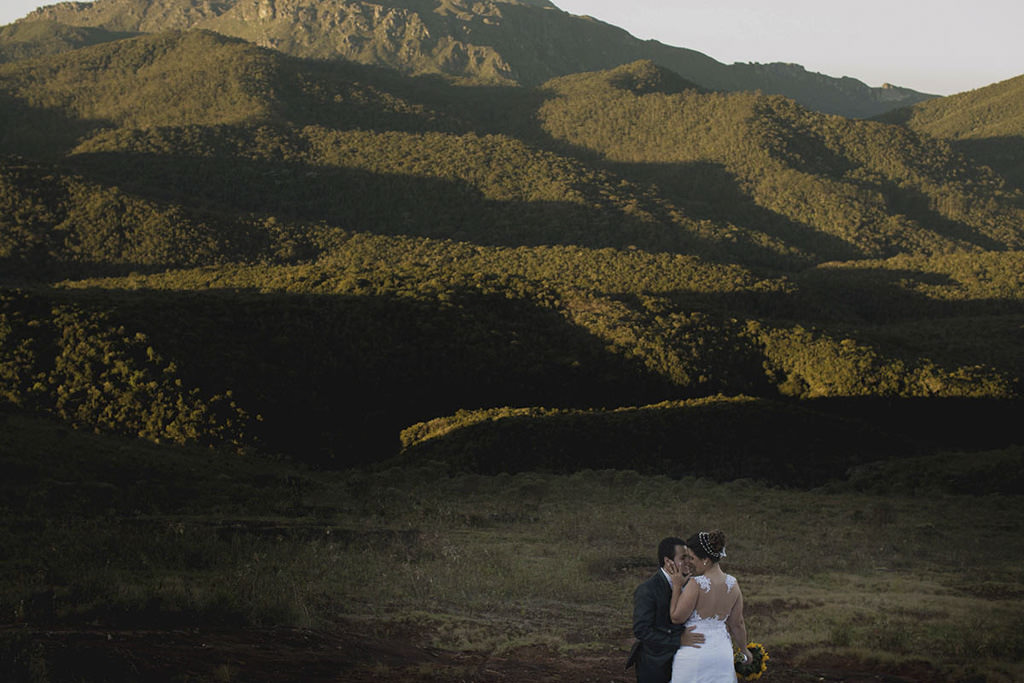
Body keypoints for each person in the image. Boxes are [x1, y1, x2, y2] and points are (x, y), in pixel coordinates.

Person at [666, 530, 754, 682]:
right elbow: (737, 623)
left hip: (695, 654)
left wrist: (676, 586)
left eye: (692, 558)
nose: (690, 562)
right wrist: (744, 649)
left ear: (705, 559)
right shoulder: (733, 584)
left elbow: (676, 617)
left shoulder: (696, 584)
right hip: (722, 652)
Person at [626, 536, 706, 682]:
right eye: (683, 558)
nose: (689, 562)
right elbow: (642, 631)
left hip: (687, 662)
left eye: (690, 557)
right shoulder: (647, 590)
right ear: (668, 561)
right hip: (655, 664)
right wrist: (678, 640)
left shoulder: (691, 585)